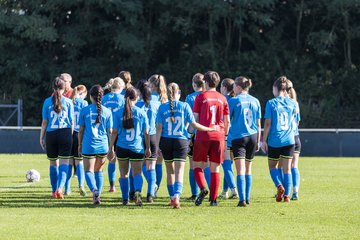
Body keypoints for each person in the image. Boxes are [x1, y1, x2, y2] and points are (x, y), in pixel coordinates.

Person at [156, 82, 218, 208]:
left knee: (170, 172)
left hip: (166, 141)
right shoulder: (184, 106)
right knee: (179, 172)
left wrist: (157, 146)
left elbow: (159, 128)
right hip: (181, 141)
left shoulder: (162, 107)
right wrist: (209, 129)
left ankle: (172, 198)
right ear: (179, 93)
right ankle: (177, 197)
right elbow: (193, 124)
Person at [192, 71, 230, 206]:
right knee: (215, 168)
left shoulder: (200, 97)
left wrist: (192, 132)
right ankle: (213, 200)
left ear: (206, 83)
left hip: (203, 134)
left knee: (197, 165)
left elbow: (195, 119)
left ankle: (202, 188)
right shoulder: (223, 98)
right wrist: (224, 136)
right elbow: (227, 122)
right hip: (219, 135)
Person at [108, 87, 151, 206]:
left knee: (124, 174)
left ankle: (125, 199)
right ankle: (137, 192)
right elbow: (146, 132)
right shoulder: (141, 112)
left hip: (121, 147)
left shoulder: (117, 112)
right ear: (136, 98)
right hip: (137, 147)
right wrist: (148, 148)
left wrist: (111, 148)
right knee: (137, 173)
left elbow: (114, 132)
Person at [262, 76, 298, 203]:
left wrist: (263, 140)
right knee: (287, 169)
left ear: (276, 89)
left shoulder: (271, 103)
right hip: (289, 140)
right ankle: (287, 196)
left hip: (275, 140)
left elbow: (267, 123)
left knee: (273, 167)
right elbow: (295, 120)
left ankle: (279, 186)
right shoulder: (293, 103)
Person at [228, 76, 261, 207]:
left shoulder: (234, 100)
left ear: (238, 87)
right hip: (253, 137)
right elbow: (258, 124)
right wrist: (258, 141)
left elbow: (227, 121)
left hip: (239, 138)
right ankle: (247, 198)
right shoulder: (255, 101)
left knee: (240, 170)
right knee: (248, 169)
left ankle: (242, 200)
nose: (233, 89)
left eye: (234, 86)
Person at [40, 76, 74, 199]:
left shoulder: (47, 102)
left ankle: (54, 190)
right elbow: (71, 122)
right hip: (65, 133)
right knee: (65, 162)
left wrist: (41, 137)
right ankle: (60, 188)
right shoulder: (69, 102)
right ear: (64, 89)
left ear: (53, 88)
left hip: (51, 134)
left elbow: (44, 122)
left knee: (53, 163)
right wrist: (69, 136)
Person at [78, 85, 113, 205]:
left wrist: (79, 144)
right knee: (99, 171)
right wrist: (111, 147)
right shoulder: (107, 111)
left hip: (89, 145)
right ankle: (98, 196)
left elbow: (81, 130)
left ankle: (94, 190)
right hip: (103, 145)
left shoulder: (85, 110)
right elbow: (110, 132)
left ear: (90, 97)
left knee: (88, 171)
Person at [136, 79, 160, 202]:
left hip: (139, 138)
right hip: (152, 136)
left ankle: (135, 192)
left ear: (139, 91)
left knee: (138, 167)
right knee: (151, 166)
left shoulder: (136, 105)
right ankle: (150, 193)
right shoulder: (156, 104)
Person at [184, 73, 207, 201]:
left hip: (194, 134)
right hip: (208, 133)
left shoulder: (190, 98)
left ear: (193, 84)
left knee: (193, 165)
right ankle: (210, 191)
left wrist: (188, 135)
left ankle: (194, 193)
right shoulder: (208, 96)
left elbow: (189, 119)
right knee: (208, 165)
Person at [102, 77, 125, 192]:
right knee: (124, 160)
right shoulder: (123, 98)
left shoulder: (104, 98)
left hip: (107, 132)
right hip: (120, 131)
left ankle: (112, 186)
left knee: (111, 159)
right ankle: (124, 181)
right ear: (121, 87)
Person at [64, 85, 88, 196]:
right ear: (82, 94)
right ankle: (81, 186)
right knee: (80, 161)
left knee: (68, 161)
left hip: (69, 133)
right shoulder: (84, 104)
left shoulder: (67, 101)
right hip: (79, 134)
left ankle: (67, 189)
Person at [148, 74, 168, 197]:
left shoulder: (149, 100)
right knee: (159, 164)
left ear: (151, 85)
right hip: (166, 135)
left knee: (148, 165)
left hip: (153, 134)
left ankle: (153, 185)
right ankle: (155, 189)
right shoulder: (165, 99)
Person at [219, 78, 238, 199]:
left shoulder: (223, 100)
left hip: (225, 135)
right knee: (229, 164)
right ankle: (225, 191)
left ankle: (234, 190)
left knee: (225, 164)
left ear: (224, 87)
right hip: (235, 135)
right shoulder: (235, 100)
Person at [286, 80, 301, 200]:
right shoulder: (295, 104)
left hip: (286, 138)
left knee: (283, 166)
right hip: (296, 137)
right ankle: (295, 192)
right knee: (294, 166)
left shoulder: (284, 103)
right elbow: (298, 121)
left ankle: (284, 191)